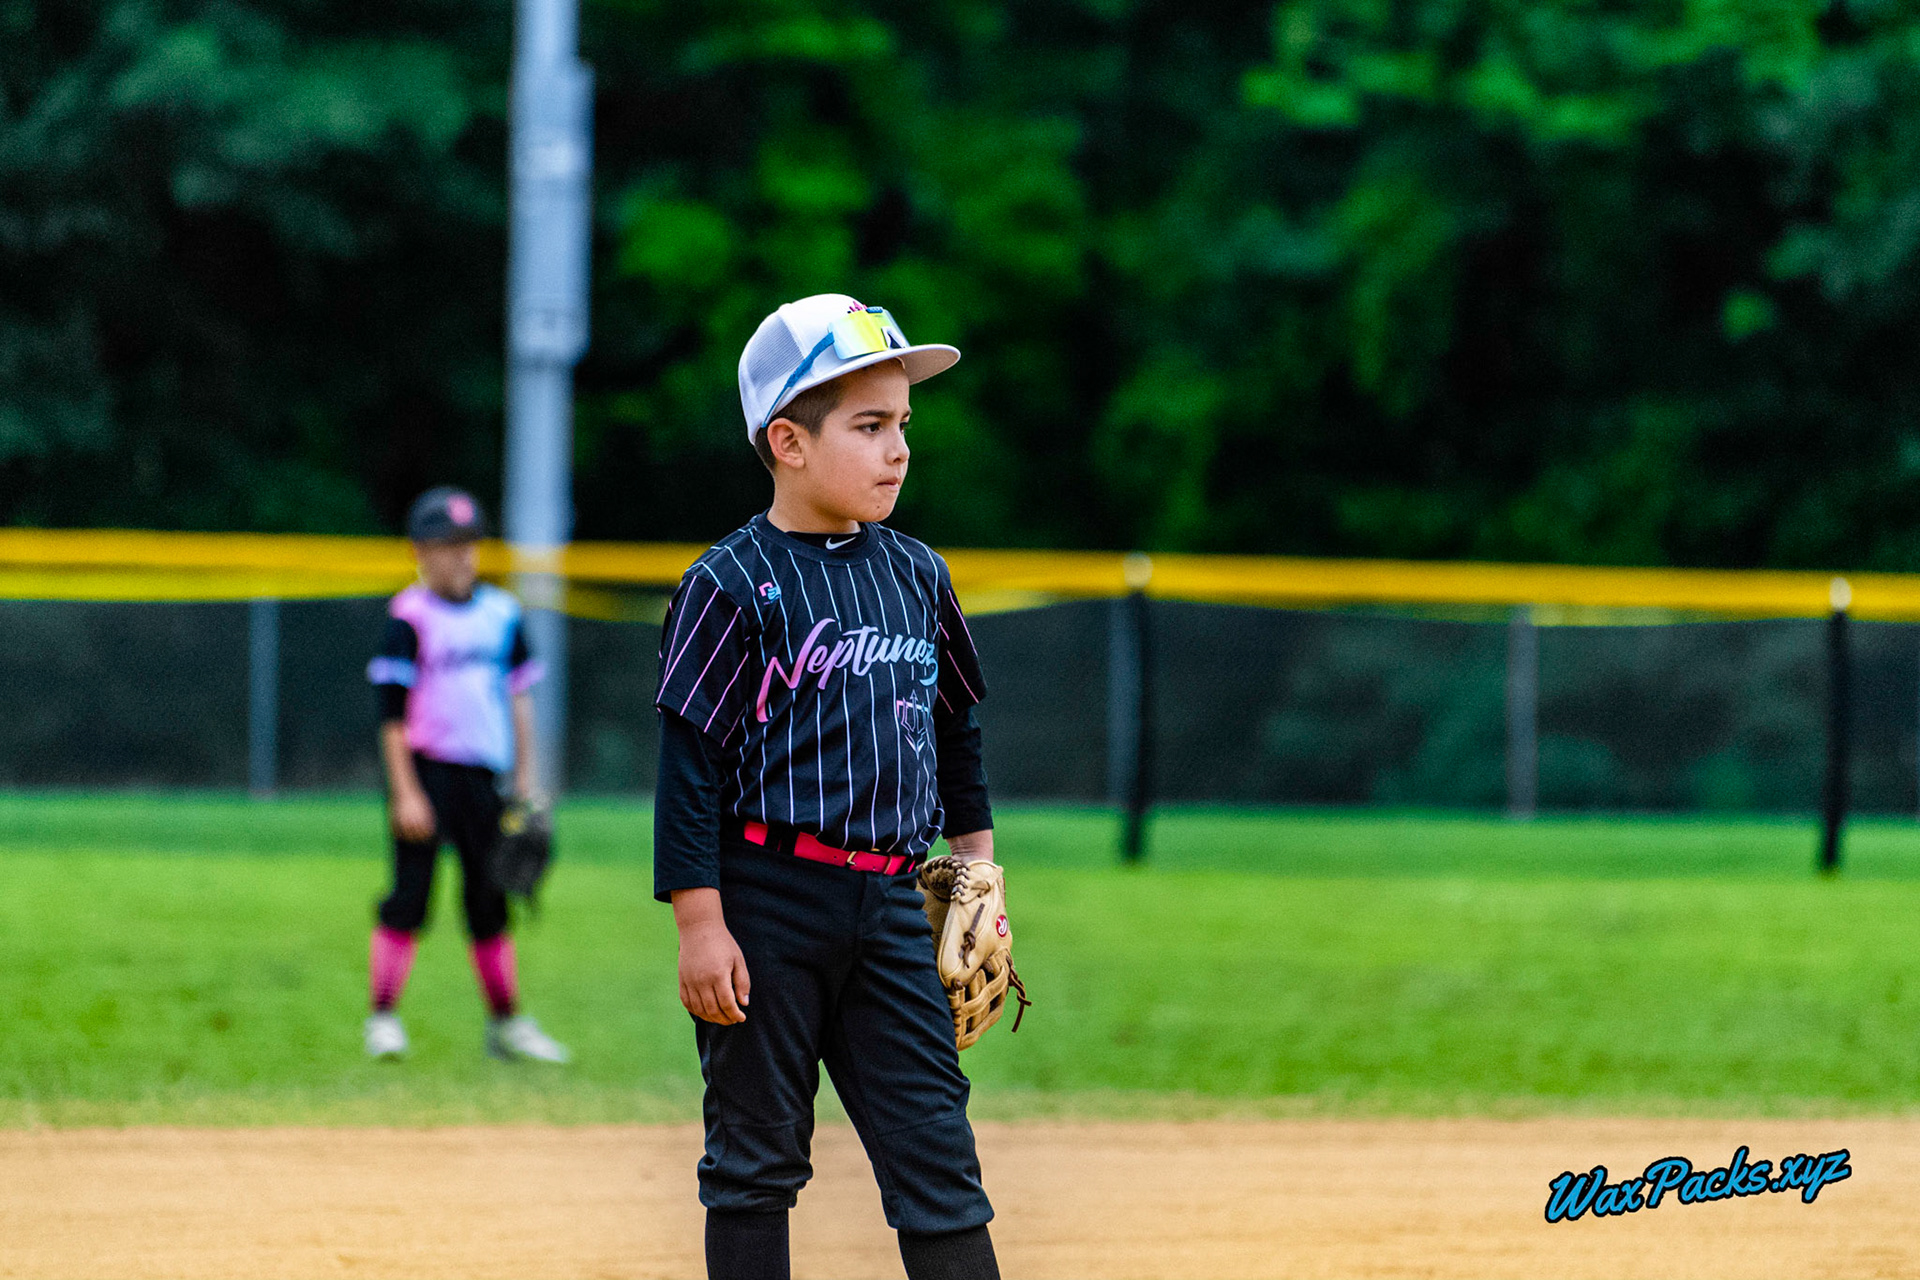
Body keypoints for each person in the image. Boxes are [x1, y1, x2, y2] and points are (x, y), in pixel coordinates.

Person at [653, 295, 1004, 1280]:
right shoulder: (730, 582)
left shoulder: (918, 575)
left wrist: (978, 869)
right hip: (764, 897)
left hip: (894, 898)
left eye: (901, 425)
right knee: (756, 1163)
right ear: (788, 441)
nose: (897, 449)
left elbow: (956, 725)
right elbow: (689, 764)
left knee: (938, 1152)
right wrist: (699, 922)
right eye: (868, 425)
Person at [362, 485, 570, 1064]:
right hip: (426, 774)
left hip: (486, 779)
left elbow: (521, 702)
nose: (461, 557)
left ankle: (505, 1024)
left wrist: (527, 781)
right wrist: (404, 792)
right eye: (447, 546)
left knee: (490, 901)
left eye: (468, 545)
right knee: (410, 898)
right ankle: (382, 1017)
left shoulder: (502, 614)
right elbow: (391, 716)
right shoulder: (408, 616)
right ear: (420, 552)